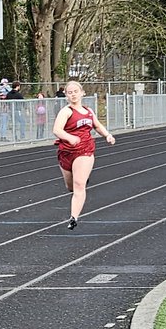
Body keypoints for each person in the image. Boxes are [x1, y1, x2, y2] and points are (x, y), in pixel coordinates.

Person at [50, 80, 115, 230]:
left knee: (79, 184)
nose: (73, 95)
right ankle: (81, 181)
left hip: (84, 150)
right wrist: (70, 137)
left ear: (82, 93)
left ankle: (74, 217)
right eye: (70, 92)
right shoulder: (66, 111)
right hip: (66, 151)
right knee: (70, 187)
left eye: (75, 92)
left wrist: (107, 135)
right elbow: (57, 130)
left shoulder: (89, 111)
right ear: (66, 95)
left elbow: (97, 126)